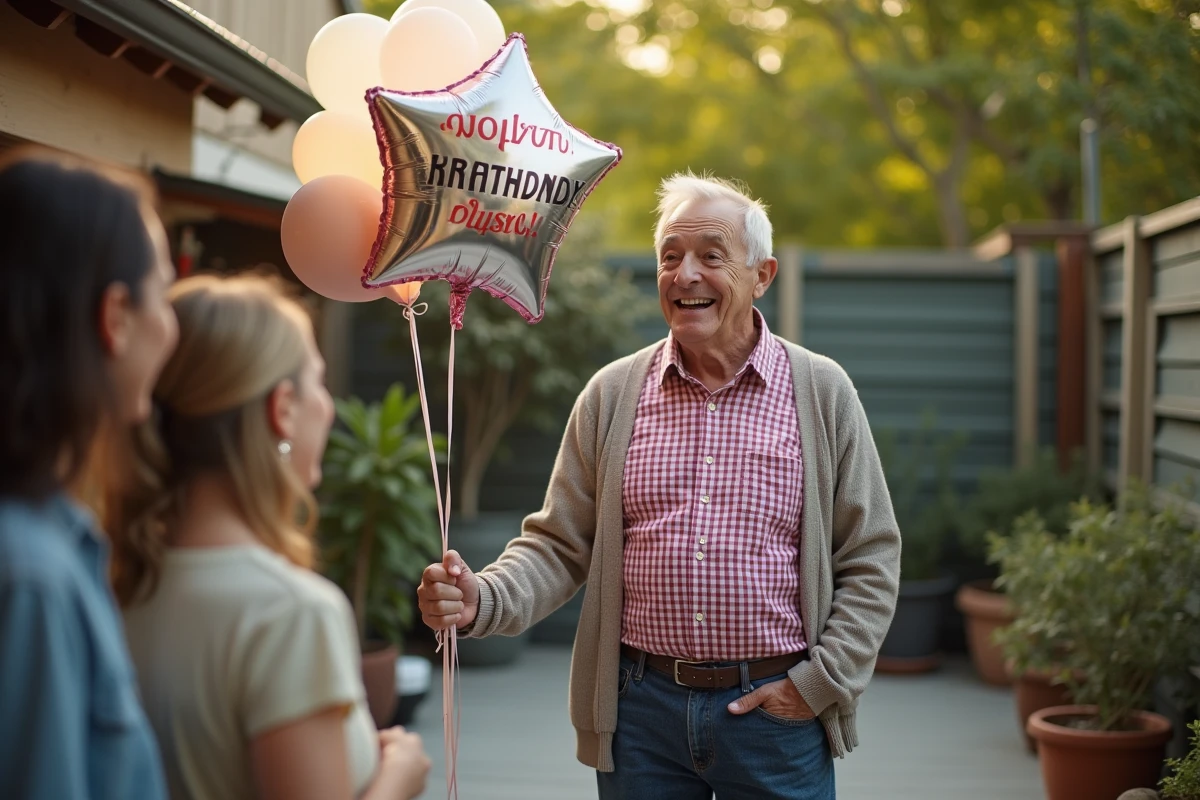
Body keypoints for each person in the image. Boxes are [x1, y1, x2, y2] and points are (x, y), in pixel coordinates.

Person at [418, 173, 902, 799]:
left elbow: (872, 553)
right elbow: (560, 545)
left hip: (777, 717)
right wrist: (482, 598)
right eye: (669, 257)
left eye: (710, 255)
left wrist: (819, 684)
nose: (685, 273)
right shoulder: (612, 394)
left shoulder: (821, 391)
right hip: (640, 717)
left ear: (763, 275)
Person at [113, 273, 430, 800]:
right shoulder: (291, 614)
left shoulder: (112, 579)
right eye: (319, 382)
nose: (328, 407)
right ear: (282, 408)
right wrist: (398, 778)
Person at [0, 149, 177, 799]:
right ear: (115, 319)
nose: (172, 326)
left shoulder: (55, 541)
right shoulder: (31, 577)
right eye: (163, 291)